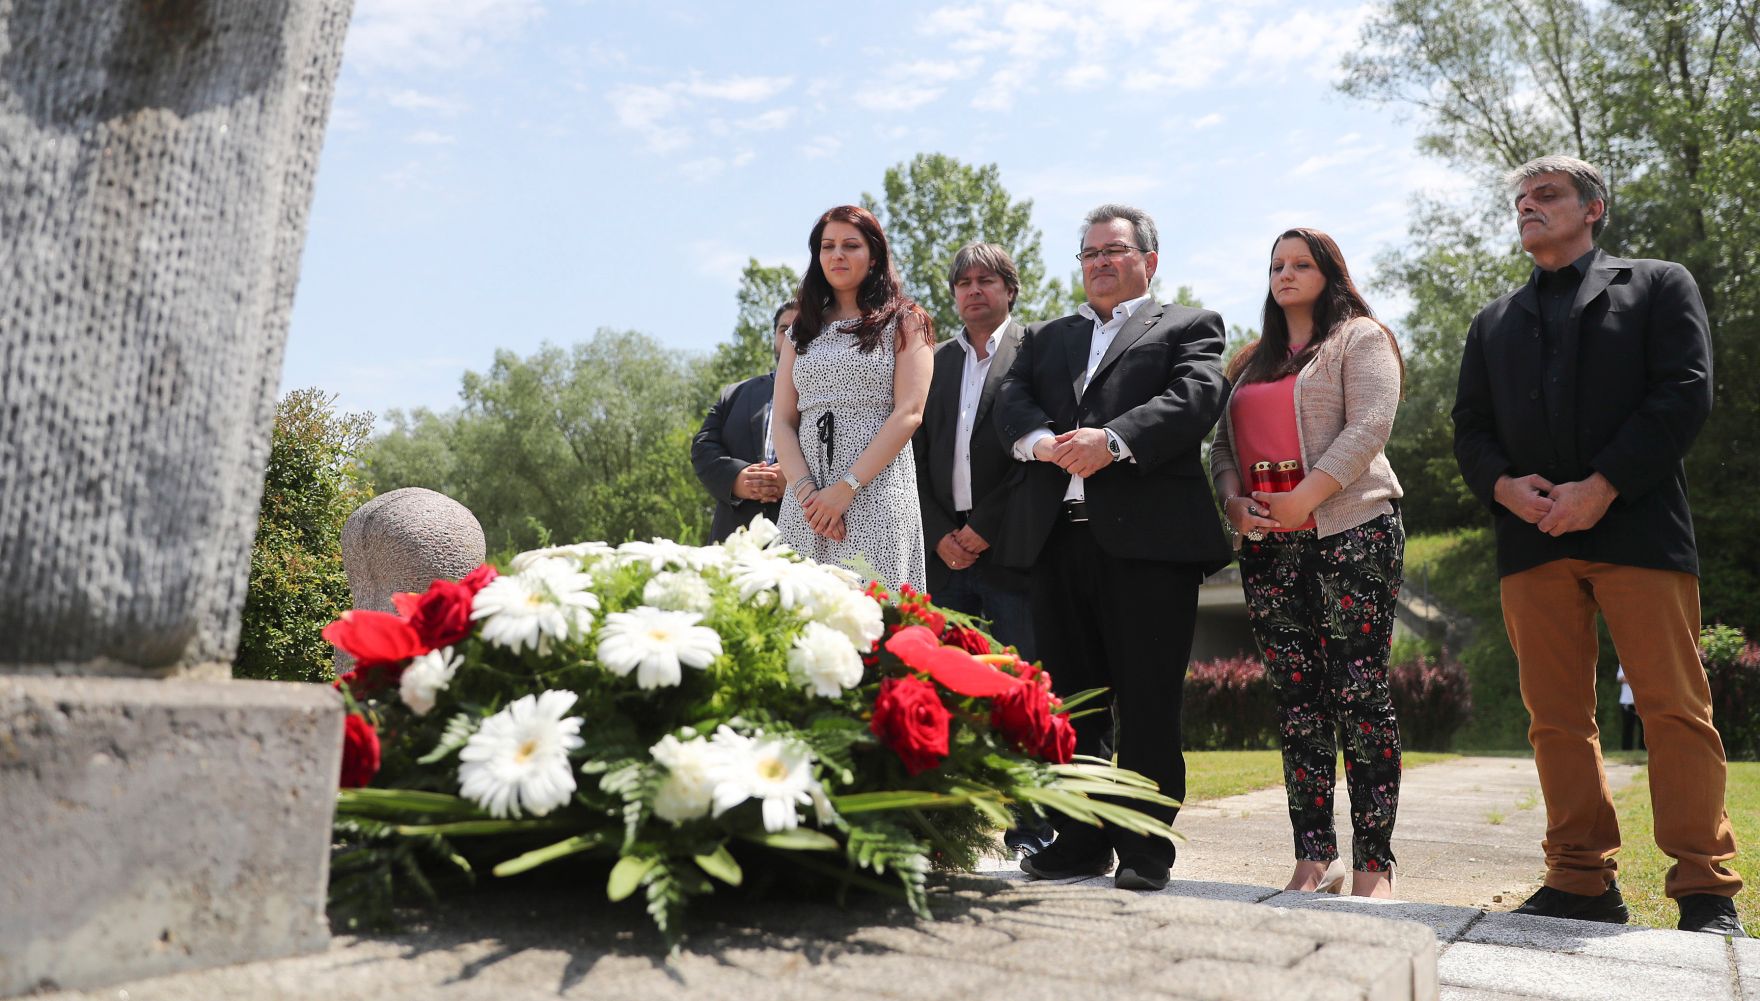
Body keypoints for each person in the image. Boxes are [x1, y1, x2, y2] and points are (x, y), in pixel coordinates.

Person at [1453, 154, 1743, 935]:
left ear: (1594, 208)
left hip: (1639, 529)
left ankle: (1706, 888)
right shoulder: (1492, 322)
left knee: (1674, 708)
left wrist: (1602, 485)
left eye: (1546, 195)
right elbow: (1470, 431)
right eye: (1519, 200)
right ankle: (1580, 879)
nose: (1527, 207)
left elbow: (1685, 390)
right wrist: (1508, 489)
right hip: (1530, 540)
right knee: (1555, 718)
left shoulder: (1658, 284)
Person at [995, 203, 1231, 891]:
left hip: (1149, 547)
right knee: (1073, 706)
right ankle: (1078, 843)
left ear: (1148, 260)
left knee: (1149, 703)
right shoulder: (1045, 337)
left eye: (1115, 250)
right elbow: (1011, 402)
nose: (1100, 261)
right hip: (1056, 544)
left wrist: (1113, 441)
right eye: (1090, 252)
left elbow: (1195, 397)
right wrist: (1045, 444)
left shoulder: (1188, 325)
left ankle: (1144, 849)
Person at [1211, 228, 1405, 899]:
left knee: (1358, 693)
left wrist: (1305, 498)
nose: (1285, 274)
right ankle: (1313, 857)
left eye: (1300, 263)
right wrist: (1237, 504)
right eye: (1275, 265)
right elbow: (1223, 450)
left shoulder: (1360, 338)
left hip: (1352, 527)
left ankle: (1373, 866)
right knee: (1296, 702)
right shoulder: (1248, 361)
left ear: (1329, 272)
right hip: (1268, 541)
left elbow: (1370, 424)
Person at [912, 242, 1050, 856]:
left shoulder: (1040, 350)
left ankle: (1031, 830)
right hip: (944, 555)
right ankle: (952, 833)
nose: (974, 290)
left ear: (1010, 289)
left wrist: (984, 527)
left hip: (1013, 548)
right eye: (963, 282)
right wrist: (942, 531)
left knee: (1023, 693)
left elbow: (1041, 457)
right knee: (944, 693)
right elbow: (910, 459)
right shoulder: (932, 363)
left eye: (987, 280)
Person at [773, 205, 932, 591]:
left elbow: (909, 413)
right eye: (827, 247)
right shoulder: (800, 332)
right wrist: (810, 497)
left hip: (875, 493)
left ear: (874, 255)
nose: (837, 255)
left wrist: (844, 490)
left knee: (874, 620)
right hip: (806, 502)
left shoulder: (906, 321)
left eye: (850, 245)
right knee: (798, 623)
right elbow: (782, 421)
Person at [691, 300, 797, 542]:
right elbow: (702, 448)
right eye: (784, 329)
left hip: (807, 540)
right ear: (774, 338)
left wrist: (795, 478)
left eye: (800, 328)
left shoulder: (834, 398)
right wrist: (736, 479)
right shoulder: (734, 394)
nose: (791, 336)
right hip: (735, 541)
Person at [1616, 665, 1644, 752]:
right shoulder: (1623, 663)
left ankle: (1643, 750)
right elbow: (1620, 678)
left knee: (1644, 728)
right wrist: (1636, 678)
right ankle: (1626, 750)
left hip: (1641, 702)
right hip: (1627, 702)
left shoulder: (1644, 662)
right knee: (1627, 728)